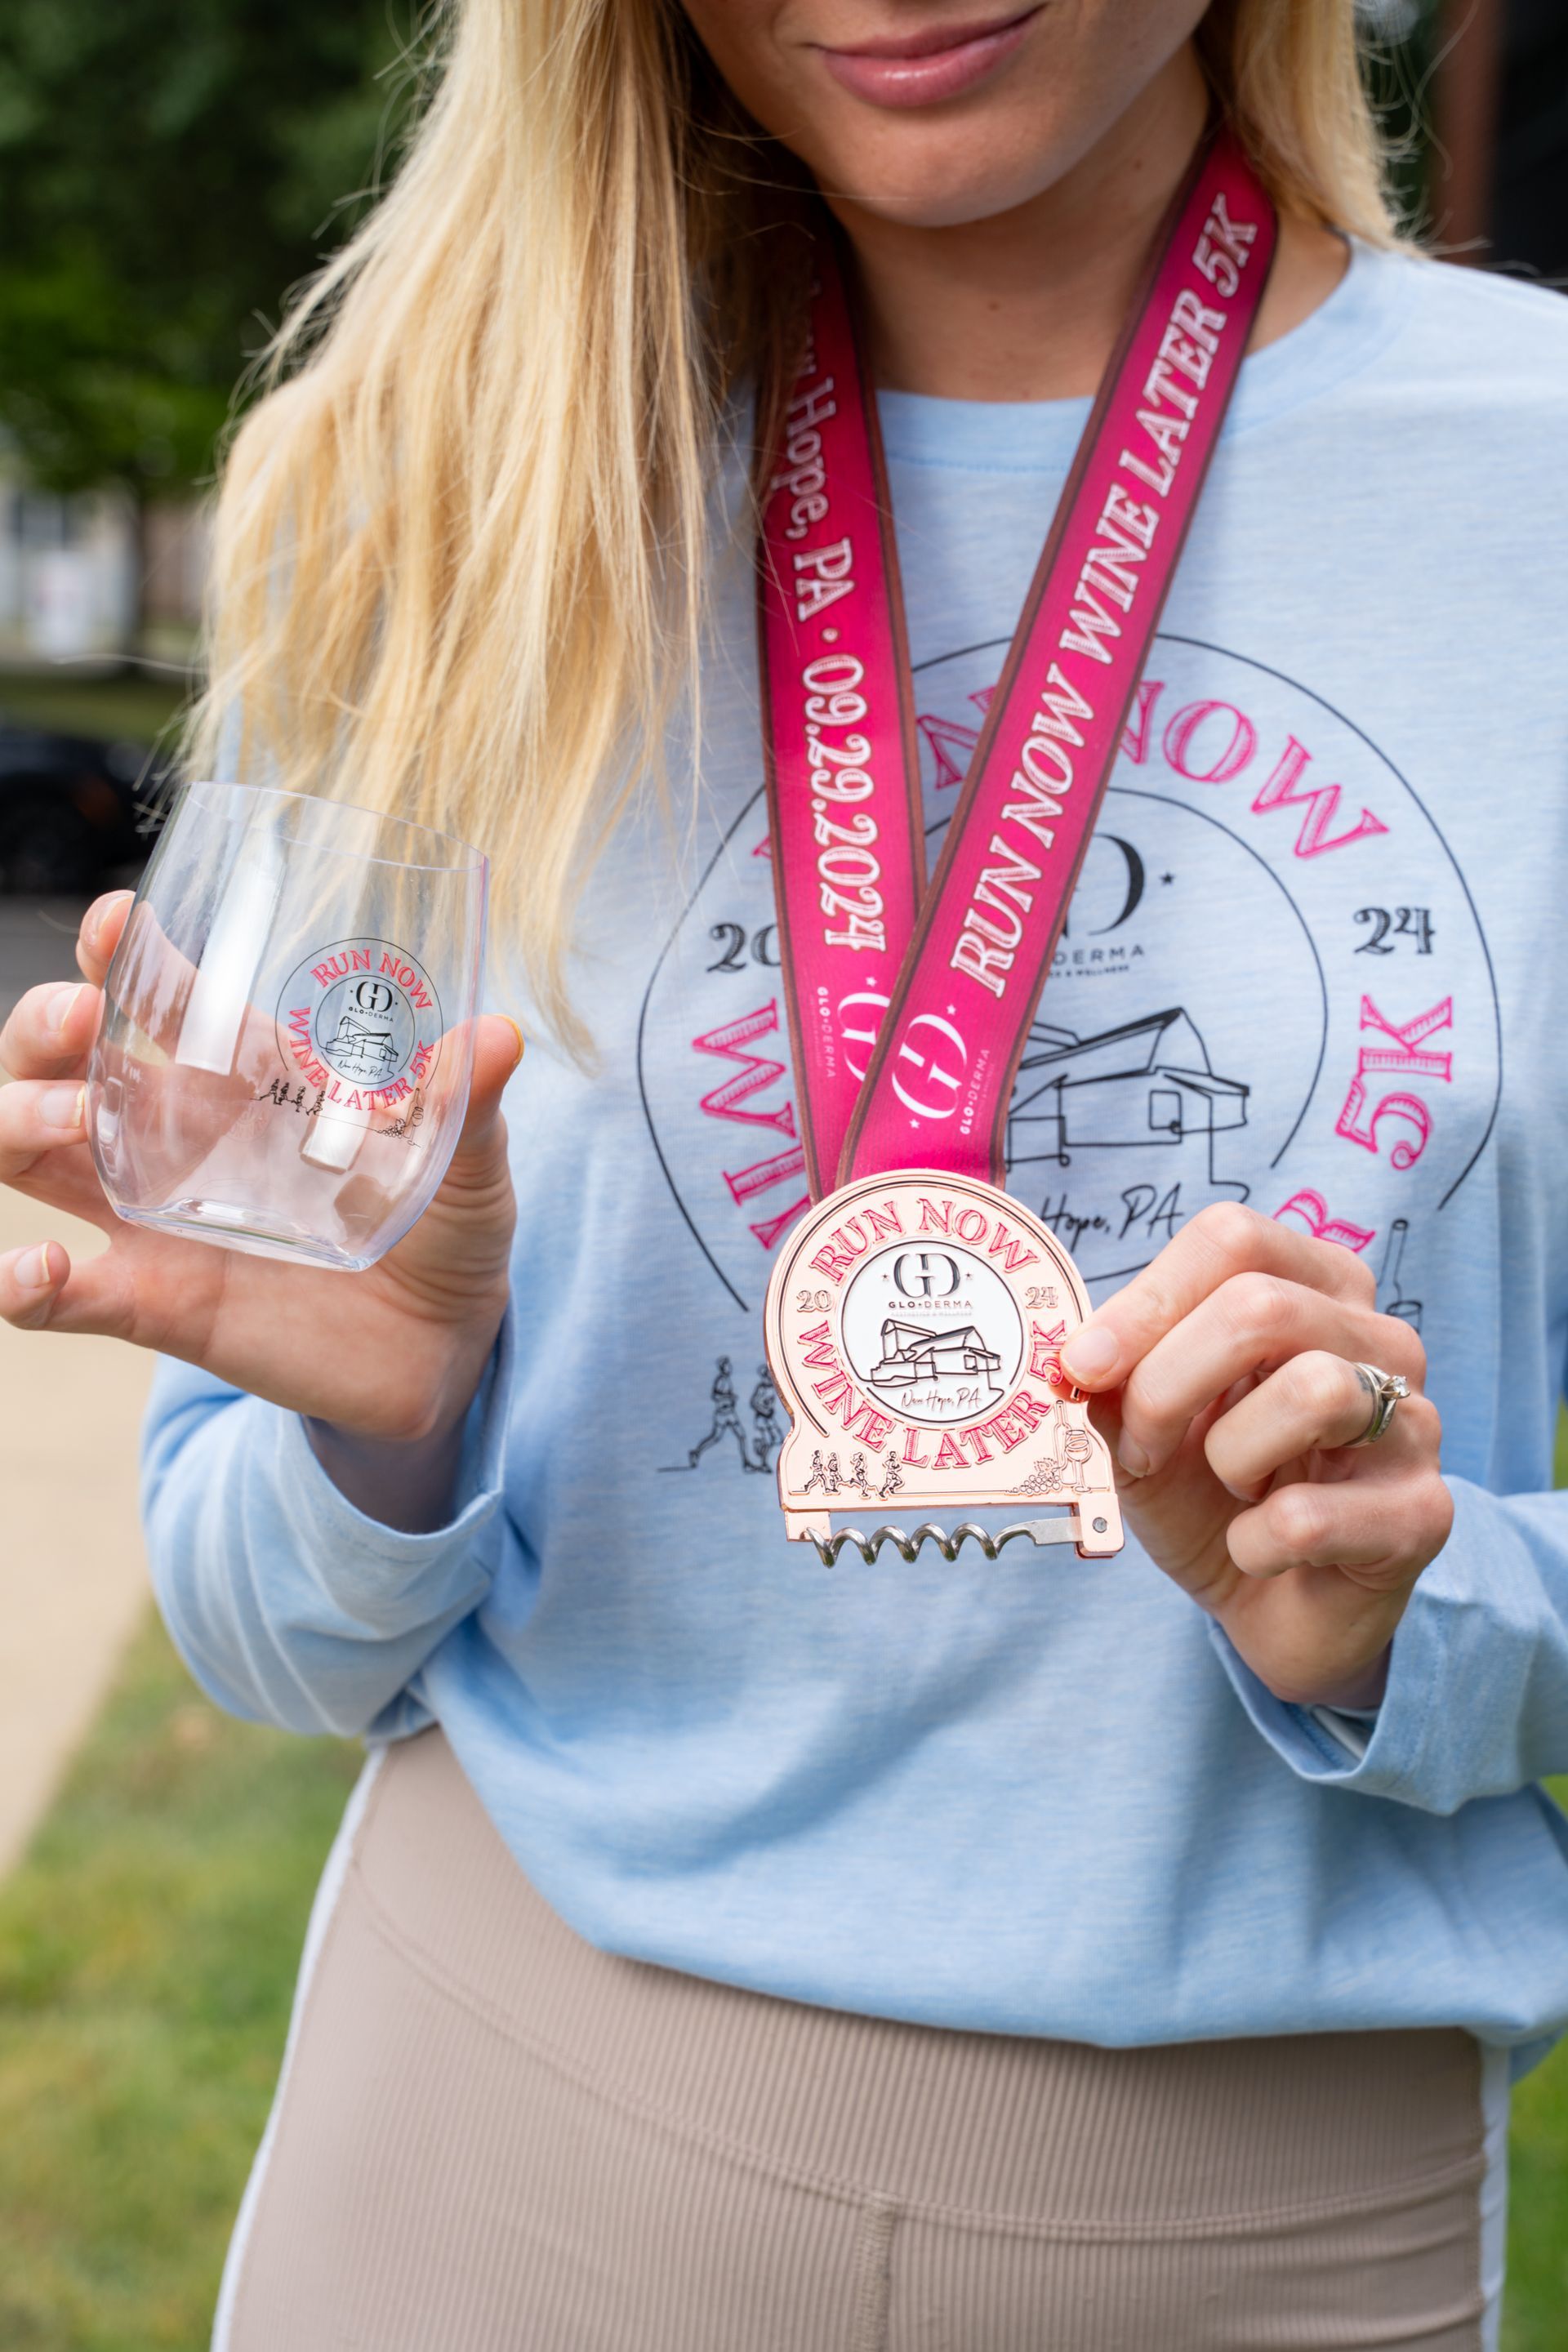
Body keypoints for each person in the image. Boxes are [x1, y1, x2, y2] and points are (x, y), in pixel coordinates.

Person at [2, 2, 1565, 2343]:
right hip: (491, 2141)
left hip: (1263, 2225)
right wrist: (387, 1419)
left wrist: (1412, 1612)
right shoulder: (435, 492)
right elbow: (269, 1618)